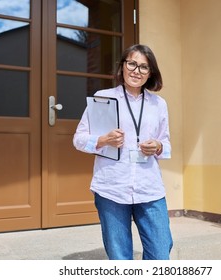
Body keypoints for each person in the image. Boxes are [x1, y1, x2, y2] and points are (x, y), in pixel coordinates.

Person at [73, 44, 172, 260]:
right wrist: (102, 139)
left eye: (144, 67)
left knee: (161, 251)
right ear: (123, 66)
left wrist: (158, 146)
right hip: (112, 187)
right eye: (132, 64)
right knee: (119, 256)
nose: (137, 71)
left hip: (149, 187)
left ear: (150, 73)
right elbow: (79, 139)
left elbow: (165, 142)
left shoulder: (158, 104)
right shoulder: (103, 97)